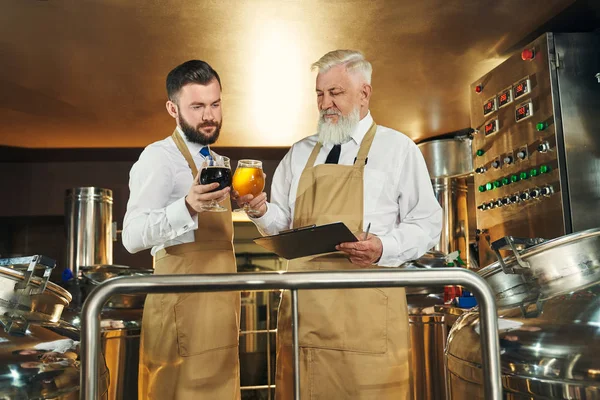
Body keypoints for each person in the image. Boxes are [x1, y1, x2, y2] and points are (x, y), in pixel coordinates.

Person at [237, 49, 442, 399]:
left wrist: (382, 248)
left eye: (335, 93)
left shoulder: (398, 149)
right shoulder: (299, 153)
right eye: (319, 94)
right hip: (306, 317)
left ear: (364, 93)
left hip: (366, 319)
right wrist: (259, 212)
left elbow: (427, 222)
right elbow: (282, 226)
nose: (325, 103)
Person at [123, 60, 240, 400]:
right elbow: (131, 236)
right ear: (172, 108)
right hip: (181, 314)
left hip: (221, 312)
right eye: (197, 106)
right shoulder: (158, 158)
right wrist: (187, 206)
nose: (209, 116)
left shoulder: (218, 163)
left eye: (215, 104)